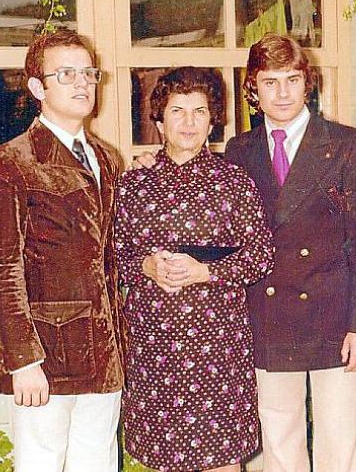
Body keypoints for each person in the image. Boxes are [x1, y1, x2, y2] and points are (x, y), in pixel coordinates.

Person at [135, 33, 356, 471]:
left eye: (291, 80)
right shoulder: (239, 149)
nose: (282, 93)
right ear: (254, 89)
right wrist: (151, 162)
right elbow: (196, 182)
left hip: (334, 318)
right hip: (266, 318)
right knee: (279, 444)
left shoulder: (345, 143)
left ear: (308, 84)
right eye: (269, 82)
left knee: (341, 444)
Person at [0, 29, 124, 471]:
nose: (82, 84)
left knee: (97, 462)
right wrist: (23, 360)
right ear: (38, 88)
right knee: (40, 462)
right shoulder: (11, 161)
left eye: (88, 73)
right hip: (47, 352)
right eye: (66, 74)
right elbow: (0, 268)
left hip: (104, 351)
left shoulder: (107, 158)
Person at [115, 66, 274, 472]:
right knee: (163, 457)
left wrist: (207, 272)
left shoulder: (234, 182)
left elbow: (261, 255)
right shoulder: (133, 185)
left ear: (212, 120)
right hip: (155, 347)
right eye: (177, 111)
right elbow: (113, 257)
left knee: (222, 460)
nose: (189, 122)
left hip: (218, 345)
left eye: (199, 111)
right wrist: (146, 266)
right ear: (159, 121)